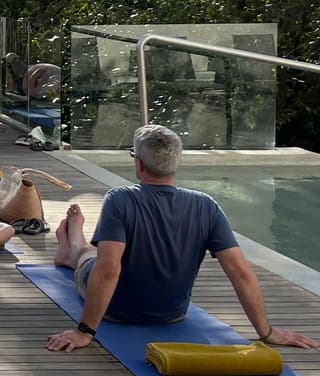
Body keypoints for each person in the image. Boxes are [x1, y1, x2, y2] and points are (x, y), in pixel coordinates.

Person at [47, 124, 319, 352]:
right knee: (98, 256)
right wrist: (266, 331)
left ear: (139, 164)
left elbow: (108, 271)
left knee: (89, 257)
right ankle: (73, 245)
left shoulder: (120, 200)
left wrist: (84, 331)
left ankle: (73, 244)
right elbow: (241, 272)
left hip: (116, 311)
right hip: (171, 313)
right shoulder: (206, 205)